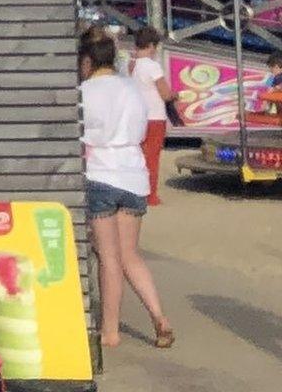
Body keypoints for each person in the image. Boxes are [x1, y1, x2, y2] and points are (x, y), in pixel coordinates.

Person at [79, 31, 172, 350]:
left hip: (101, 173)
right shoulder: (132, 90)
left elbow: (83, 135)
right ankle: (159, 316)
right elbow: (143, 129)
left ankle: (110, 332)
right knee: (130, 255)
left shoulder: (84, 92)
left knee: (108, 258)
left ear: (87, 61)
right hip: (134, 175)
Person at [127, 26, 172, 206]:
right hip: (155, 116)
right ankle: (150, 195)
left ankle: (135, 192)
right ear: (152, 45)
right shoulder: (153, 66)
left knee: (137, 156)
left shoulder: (131, 65)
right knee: (152, 157)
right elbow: (165, 94)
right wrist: (176, 95)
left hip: (137, 116)